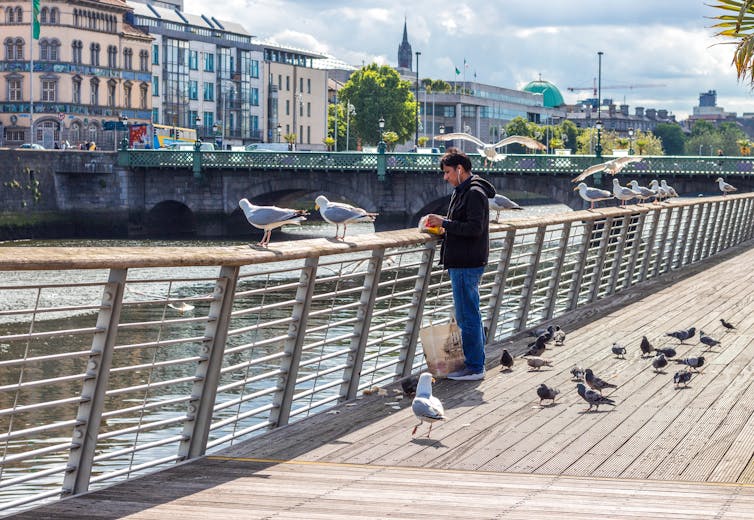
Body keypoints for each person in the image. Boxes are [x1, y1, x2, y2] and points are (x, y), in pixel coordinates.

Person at [424, 148, 496, 381]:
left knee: (468, 316)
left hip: (467, 262)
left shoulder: (474, 193)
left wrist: (445, 222)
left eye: (447, 172)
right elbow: (461, 224)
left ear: (460, 169)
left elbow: (475, 228)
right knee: (468, 314)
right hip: (463, 260)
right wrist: (443, 227)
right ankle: (474, 363)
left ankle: (475, 367)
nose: (445, 177)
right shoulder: (463, 190)